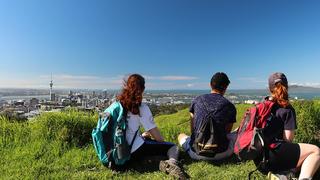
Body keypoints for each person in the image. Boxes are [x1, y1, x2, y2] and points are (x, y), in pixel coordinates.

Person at [116, 74, 188, 179]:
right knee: (173, 147)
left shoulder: (116, 104)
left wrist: (141, 135)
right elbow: (159, 138)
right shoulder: (141, 107)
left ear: (126, 86)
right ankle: (171, 163)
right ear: (142, 89)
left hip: (117, 149)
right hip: (133, 150)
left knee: (144, 139)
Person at [255, 72, 320, 180]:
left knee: (298, 154)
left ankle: (283, 174)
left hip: (259, 160)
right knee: (315, 150)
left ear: (269, 88)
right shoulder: (287, 109)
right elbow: (288, 139)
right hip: (275, 157)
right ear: (287, 87)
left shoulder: (261, 106)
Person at [178, 72, 237, 161]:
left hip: (196, 152)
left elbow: (193, 130)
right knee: (236, 134)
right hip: (221, 153)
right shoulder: (230, 106)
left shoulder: (197, 100)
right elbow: (226, 132)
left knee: (181, 136)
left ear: (210, 85)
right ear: (226, 87)